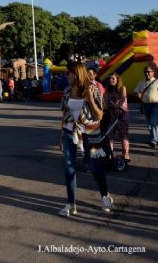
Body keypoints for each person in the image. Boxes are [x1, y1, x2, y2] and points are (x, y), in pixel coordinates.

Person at [59, 62, 113, 217]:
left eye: (68, 73)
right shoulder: (67, 90)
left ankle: (105, 196)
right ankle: (71, 204)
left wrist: (90, 99)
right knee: (69, 168)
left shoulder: (92, 89)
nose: (66, 76)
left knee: (94, 166)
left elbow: (100, 115)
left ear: (76, 73)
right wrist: (60, 136)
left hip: (90, 133)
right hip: (70, 132)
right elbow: (64, 114)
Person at [102, 73, 131, 162]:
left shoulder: (122, 88)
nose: (111, 80)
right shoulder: (107, 90)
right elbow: (104, 100)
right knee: (110, 135)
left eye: (113, 78)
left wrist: (118, 105)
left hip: (121, 114)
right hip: (111, 114)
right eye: (109, 79)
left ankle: (125, 155)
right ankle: (110, 155)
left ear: (117, 79)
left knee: (123, 135)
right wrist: (104, 107)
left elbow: (123, 98)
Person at [133, 64, 158, 148]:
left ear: (153, 73)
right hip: (145, 105)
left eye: (148, 72)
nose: (147, 73)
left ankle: (153, 140)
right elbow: (135, 92)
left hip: (155, 105)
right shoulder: (141, 82)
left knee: (154, 122)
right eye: (145, 72)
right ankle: (153, 136)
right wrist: (137, 94)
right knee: (149, 124)